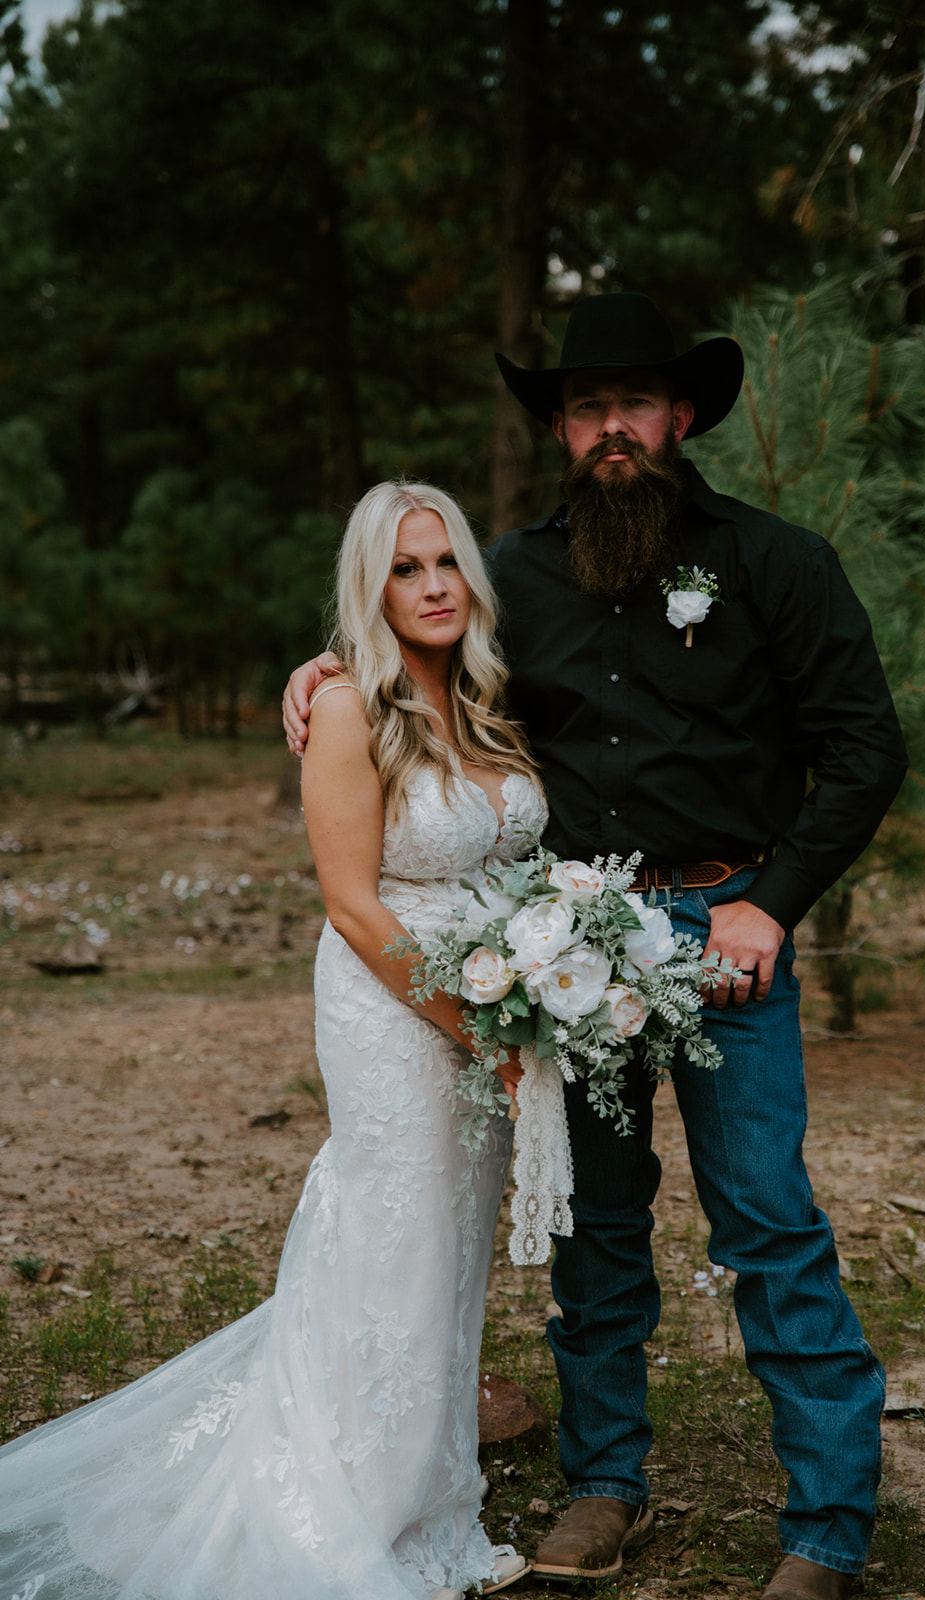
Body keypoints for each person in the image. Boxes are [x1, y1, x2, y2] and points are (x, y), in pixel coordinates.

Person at [283, 294, 910, 1600]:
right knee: (597, 1228)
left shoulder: (777, 565)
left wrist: (772, 901)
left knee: (767, 1220)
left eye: (633, 403)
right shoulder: (510, 574)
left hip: (728, 931)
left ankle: (827, 1528)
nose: (610, 427)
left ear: (681, 418)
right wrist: (312, 672)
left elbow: (866, 748)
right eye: (585, 407)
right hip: (574, 955)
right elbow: (413, 636)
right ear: (561, 428)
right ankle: (604, 1482)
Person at [0, 481, 547, 1600]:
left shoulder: (486, 700)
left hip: (490, 1009)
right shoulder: (348, 706)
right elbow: (352, 902)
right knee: (392, 1243)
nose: (435, 585)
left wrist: (532, 995)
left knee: (449, 1252)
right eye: (406, 568)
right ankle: (354, 1506)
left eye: (448, 563)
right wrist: (475, 1026)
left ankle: (435, 1498)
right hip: (397, 1006)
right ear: (371, 585)